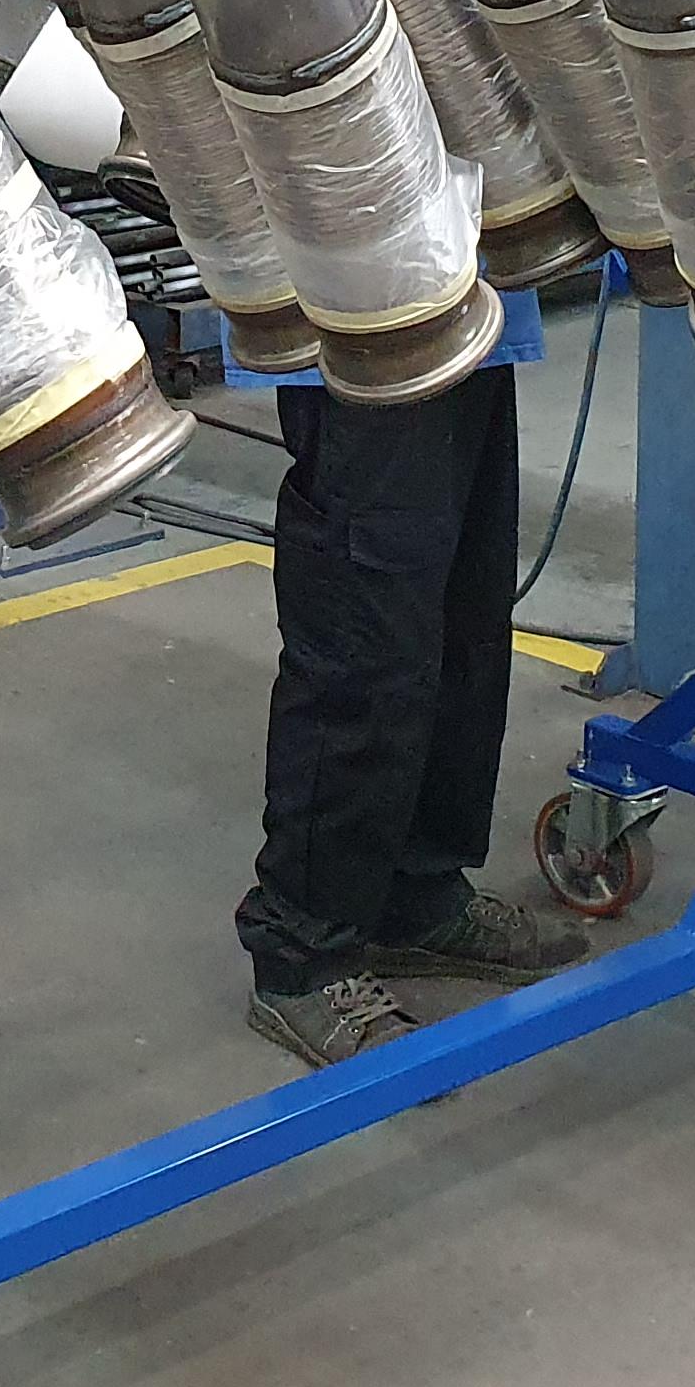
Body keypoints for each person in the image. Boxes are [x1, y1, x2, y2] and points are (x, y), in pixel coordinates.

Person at [241, 357, 590, 1067]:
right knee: (361, 639)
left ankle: (416, 894)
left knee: (465, 615)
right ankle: (302, 953)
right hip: (357, 324)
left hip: (470, 321)